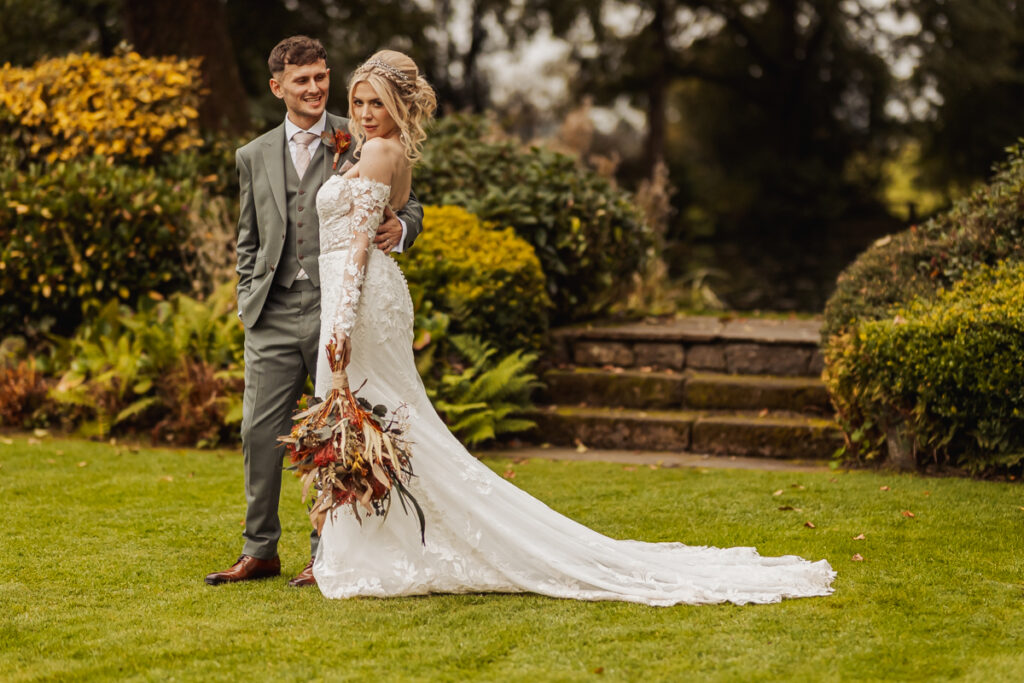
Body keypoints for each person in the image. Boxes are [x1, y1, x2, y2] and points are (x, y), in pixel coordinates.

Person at [310, 49, 837, 605]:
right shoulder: (376, 151)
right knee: (381, 418)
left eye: (378, 102)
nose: (366, 113)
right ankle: (372, 542)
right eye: (359, 102)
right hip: (368, 296)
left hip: (360, 299)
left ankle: (377, 547)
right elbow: (375, 221)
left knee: (374, 415)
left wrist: (339, 326)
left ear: (400, 106)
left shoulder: (379, 154)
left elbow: (359, 252)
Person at [204, 36, 424, 588]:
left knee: (339, 428)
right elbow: (248, 237)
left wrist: (403, 229)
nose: (315, 88)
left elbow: (406, 195)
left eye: (321, 77)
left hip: (338, 306)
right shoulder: (251, 155)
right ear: (278, 87)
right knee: (259, 432)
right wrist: (246, 296)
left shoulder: (358, 130)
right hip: (272, 310)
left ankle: (327, 551)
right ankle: (260, 549)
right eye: (301, 80)